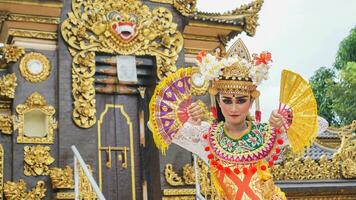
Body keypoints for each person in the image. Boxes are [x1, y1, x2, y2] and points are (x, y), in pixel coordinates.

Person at [171, 51, 287, 199]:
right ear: (218, 102)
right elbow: (155, 125)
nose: (233, 109)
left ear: (251, 102)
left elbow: (319, 124)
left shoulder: (266, 134)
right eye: (227, 101)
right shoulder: (207, 136)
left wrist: (283, 119)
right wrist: (188, 121)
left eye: (241, 101)